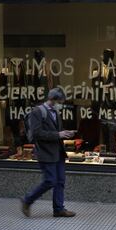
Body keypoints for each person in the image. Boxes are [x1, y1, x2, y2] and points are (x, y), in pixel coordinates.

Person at [21, 88, 76, 218]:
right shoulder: (37, 112)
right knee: (50, 180)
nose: (61, 104)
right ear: (53, 100)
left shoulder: (55, 112)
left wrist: (66, 133)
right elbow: (37, 133)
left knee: (60, 181)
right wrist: (58, 134)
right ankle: (27, 200)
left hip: (58, 152)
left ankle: (59, 209)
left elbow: (57, 131)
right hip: (45, 153)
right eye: (60, 101)